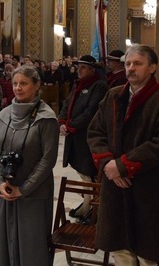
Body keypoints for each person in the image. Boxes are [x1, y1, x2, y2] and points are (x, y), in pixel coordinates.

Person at [87, 44, 159, 265]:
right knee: (121, 252)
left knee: (148, 254)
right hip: (115, 187)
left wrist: (122, 166)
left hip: (148, 189)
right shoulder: (113, 95)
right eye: (128, 64)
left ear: (152, 67)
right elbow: (95, 133)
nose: (131, 68)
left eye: (137, 63)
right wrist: (109, 166)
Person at [0, 65, 59, 266]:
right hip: (5, 191)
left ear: (37, 86)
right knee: (5, 239)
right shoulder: (3, 115)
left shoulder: (46, 118)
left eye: (23, 83)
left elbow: (48, 160)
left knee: (31, 244)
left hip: (33, 193)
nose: (18, 88)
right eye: (15, 83)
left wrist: (24, 189)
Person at [58, 55, 108, 220]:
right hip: (75, 137)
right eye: (78, 66)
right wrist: (62, 122)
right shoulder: (78, 84)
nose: (79, 70)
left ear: (92, 70)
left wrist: (71, 125)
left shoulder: (99, 86)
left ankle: (93, 209)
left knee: (89, 172)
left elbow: (91, 111)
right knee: (82, 172)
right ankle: (87, 202)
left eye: (83, 67)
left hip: (87, 138)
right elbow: (67, 104)